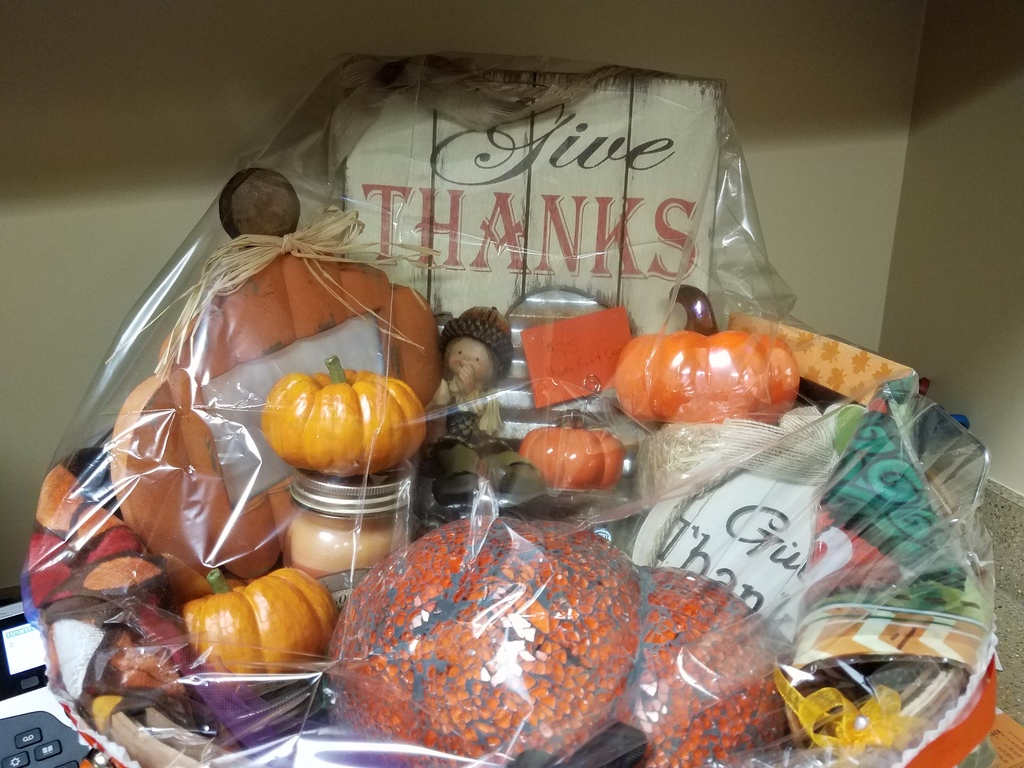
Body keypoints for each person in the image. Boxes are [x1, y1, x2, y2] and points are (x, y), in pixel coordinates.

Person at [429, 307, 513, 440]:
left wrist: (469, 392)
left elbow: (480, 412)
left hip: (472, 439)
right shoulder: (446, 385)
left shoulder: (488, 397)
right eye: (460, 353)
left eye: (477, 359)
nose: (466, 360)